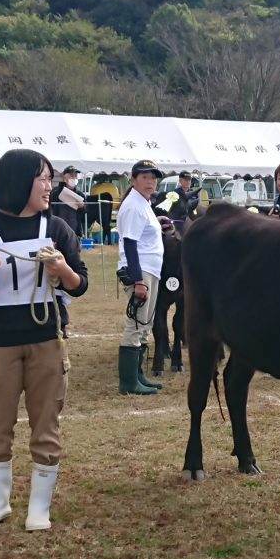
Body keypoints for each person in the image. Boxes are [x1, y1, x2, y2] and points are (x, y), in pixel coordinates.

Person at [0, 149, 89, 532]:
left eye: (50, 179)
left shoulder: (55, 227)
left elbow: (81, 283)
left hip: (46, 338)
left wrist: (63, 269)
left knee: (46, 422)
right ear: (20, 181)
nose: (50, 187)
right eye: (43, 179)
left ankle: (39, 508)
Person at [117, 160, 167, 395]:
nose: (150, 182)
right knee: (136, 323)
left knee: (144, 325)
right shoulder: (134, 205)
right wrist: (138, 280)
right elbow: (129, 243)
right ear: (134, 179)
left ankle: (138, 376)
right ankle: (128, 382)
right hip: (141, 270)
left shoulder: (143, 203)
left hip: (150, 269)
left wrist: (156, 223)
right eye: (145, 177)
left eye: (153, 178)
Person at [48, 166, 84, 234]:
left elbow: (84, 214)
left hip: (74, 230)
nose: (74, 178)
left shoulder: (80, 194)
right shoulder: (55, 193)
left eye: (75, 176)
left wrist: (82, 207)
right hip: (58, 229)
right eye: (71, 175)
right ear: (64, 177)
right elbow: (49, 209)